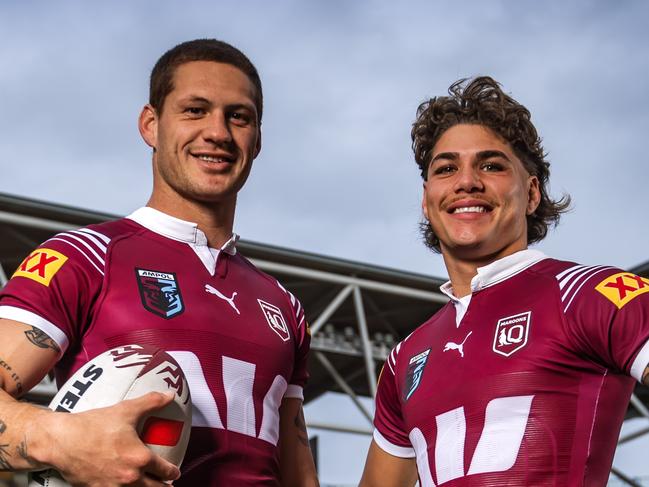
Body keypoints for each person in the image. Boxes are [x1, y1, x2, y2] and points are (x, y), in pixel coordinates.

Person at [0, 39, 319, 486]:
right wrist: (59, 439)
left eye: (238, 116)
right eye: (195, 110)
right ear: (150, 124)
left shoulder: (285, 306)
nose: (218, 133)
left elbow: (298, 474)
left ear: (257, 138)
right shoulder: (85, 257)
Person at [360, 76, 649, 486]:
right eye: (446, 168)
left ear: (531, 193)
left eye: (491, 165)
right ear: (426, 201)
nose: (467, 182)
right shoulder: (405, 357)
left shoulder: (590, 293)